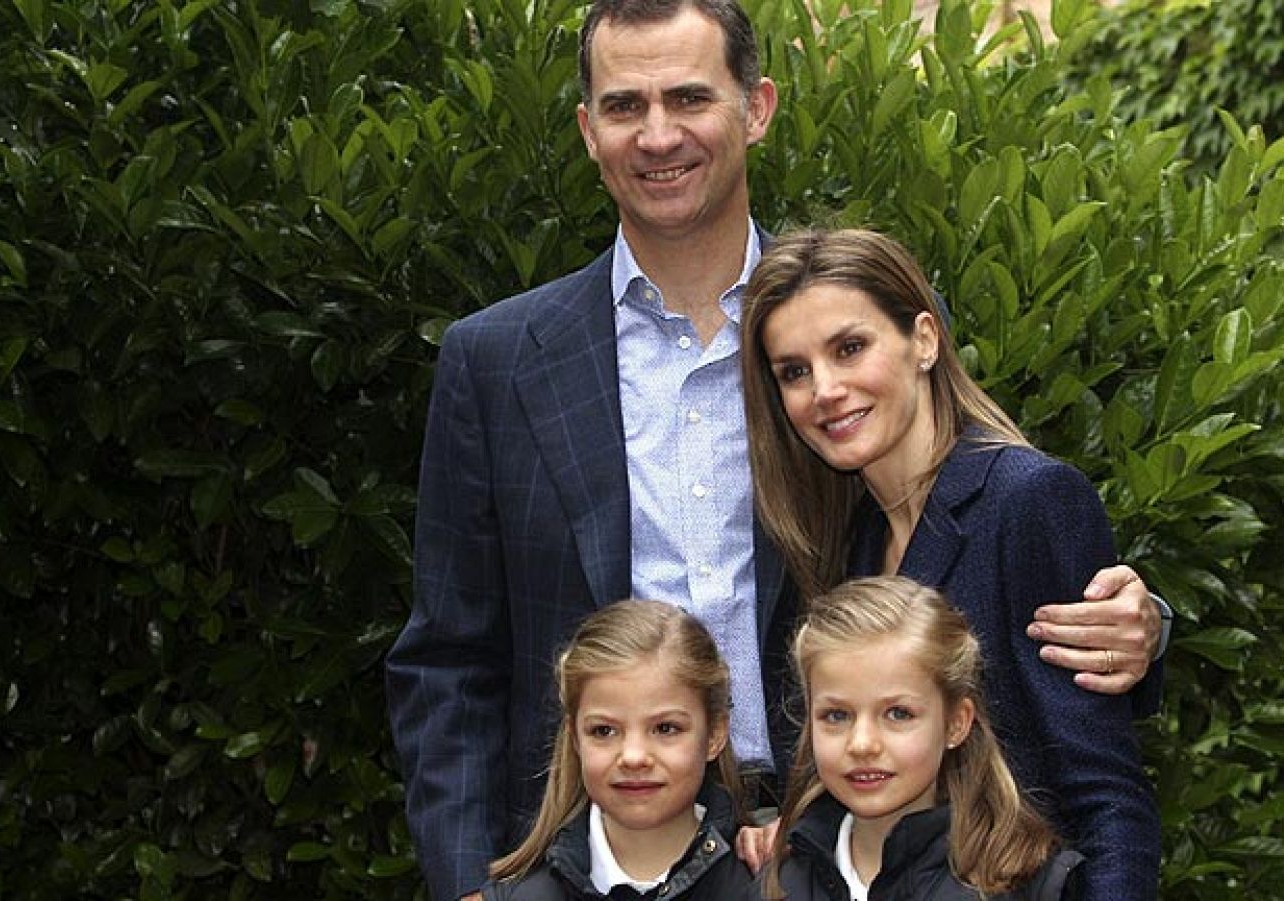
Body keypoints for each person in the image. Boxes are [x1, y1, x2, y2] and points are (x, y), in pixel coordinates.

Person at [386, 4, 1163, 900]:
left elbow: (973, 523)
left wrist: (1140, 624)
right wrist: (467, 882)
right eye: (625, 105)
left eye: (689, 97)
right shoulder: (495, 361)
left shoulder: (836, 327)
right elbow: (449, 659)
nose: (659, 135)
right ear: (589, 130)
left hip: (834, 848)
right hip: (590, 857)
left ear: (755, 108)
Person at [740, 228, 1161, 899]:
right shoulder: (842, 538)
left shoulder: (1028, 500)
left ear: (925, 341)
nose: (825, 388)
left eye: (849, 348)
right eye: (794, 371)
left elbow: (1105, 793)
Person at [757, 576, 1085, 901]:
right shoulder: (775, 883)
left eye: (898, 714)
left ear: (956, 723)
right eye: (836, 716)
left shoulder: (1024, 884)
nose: (862, 744)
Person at [481, 599, 754, 900]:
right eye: (604, 731)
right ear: (575, 738)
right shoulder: (516, 896)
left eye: (666, 728)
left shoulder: (766, 886)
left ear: (715, 734)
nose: (633, 757)